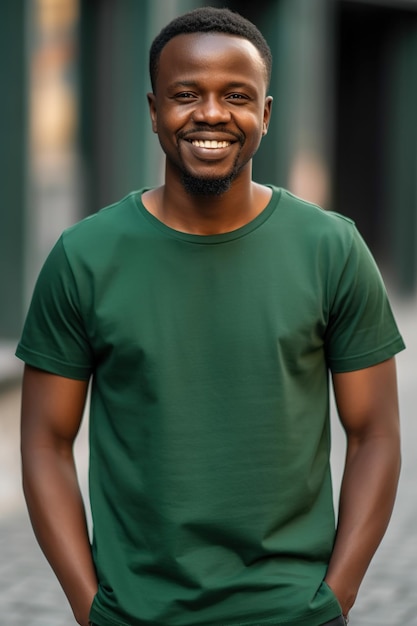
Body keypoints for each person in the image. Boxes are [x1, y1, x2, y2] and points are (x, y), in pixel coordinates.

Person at [17, 7, 405, 626]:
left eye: (236, 96)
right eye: (186, 94)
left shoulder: (332, 248)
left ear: (266, 115)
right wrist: (89, 607)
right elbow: (43, 440)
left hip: (292, 613)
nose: (212, 114)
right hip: (136, 614)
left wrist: (338, 594)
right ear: (152, 110)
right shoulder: (84, 257)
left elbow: (377, 434)